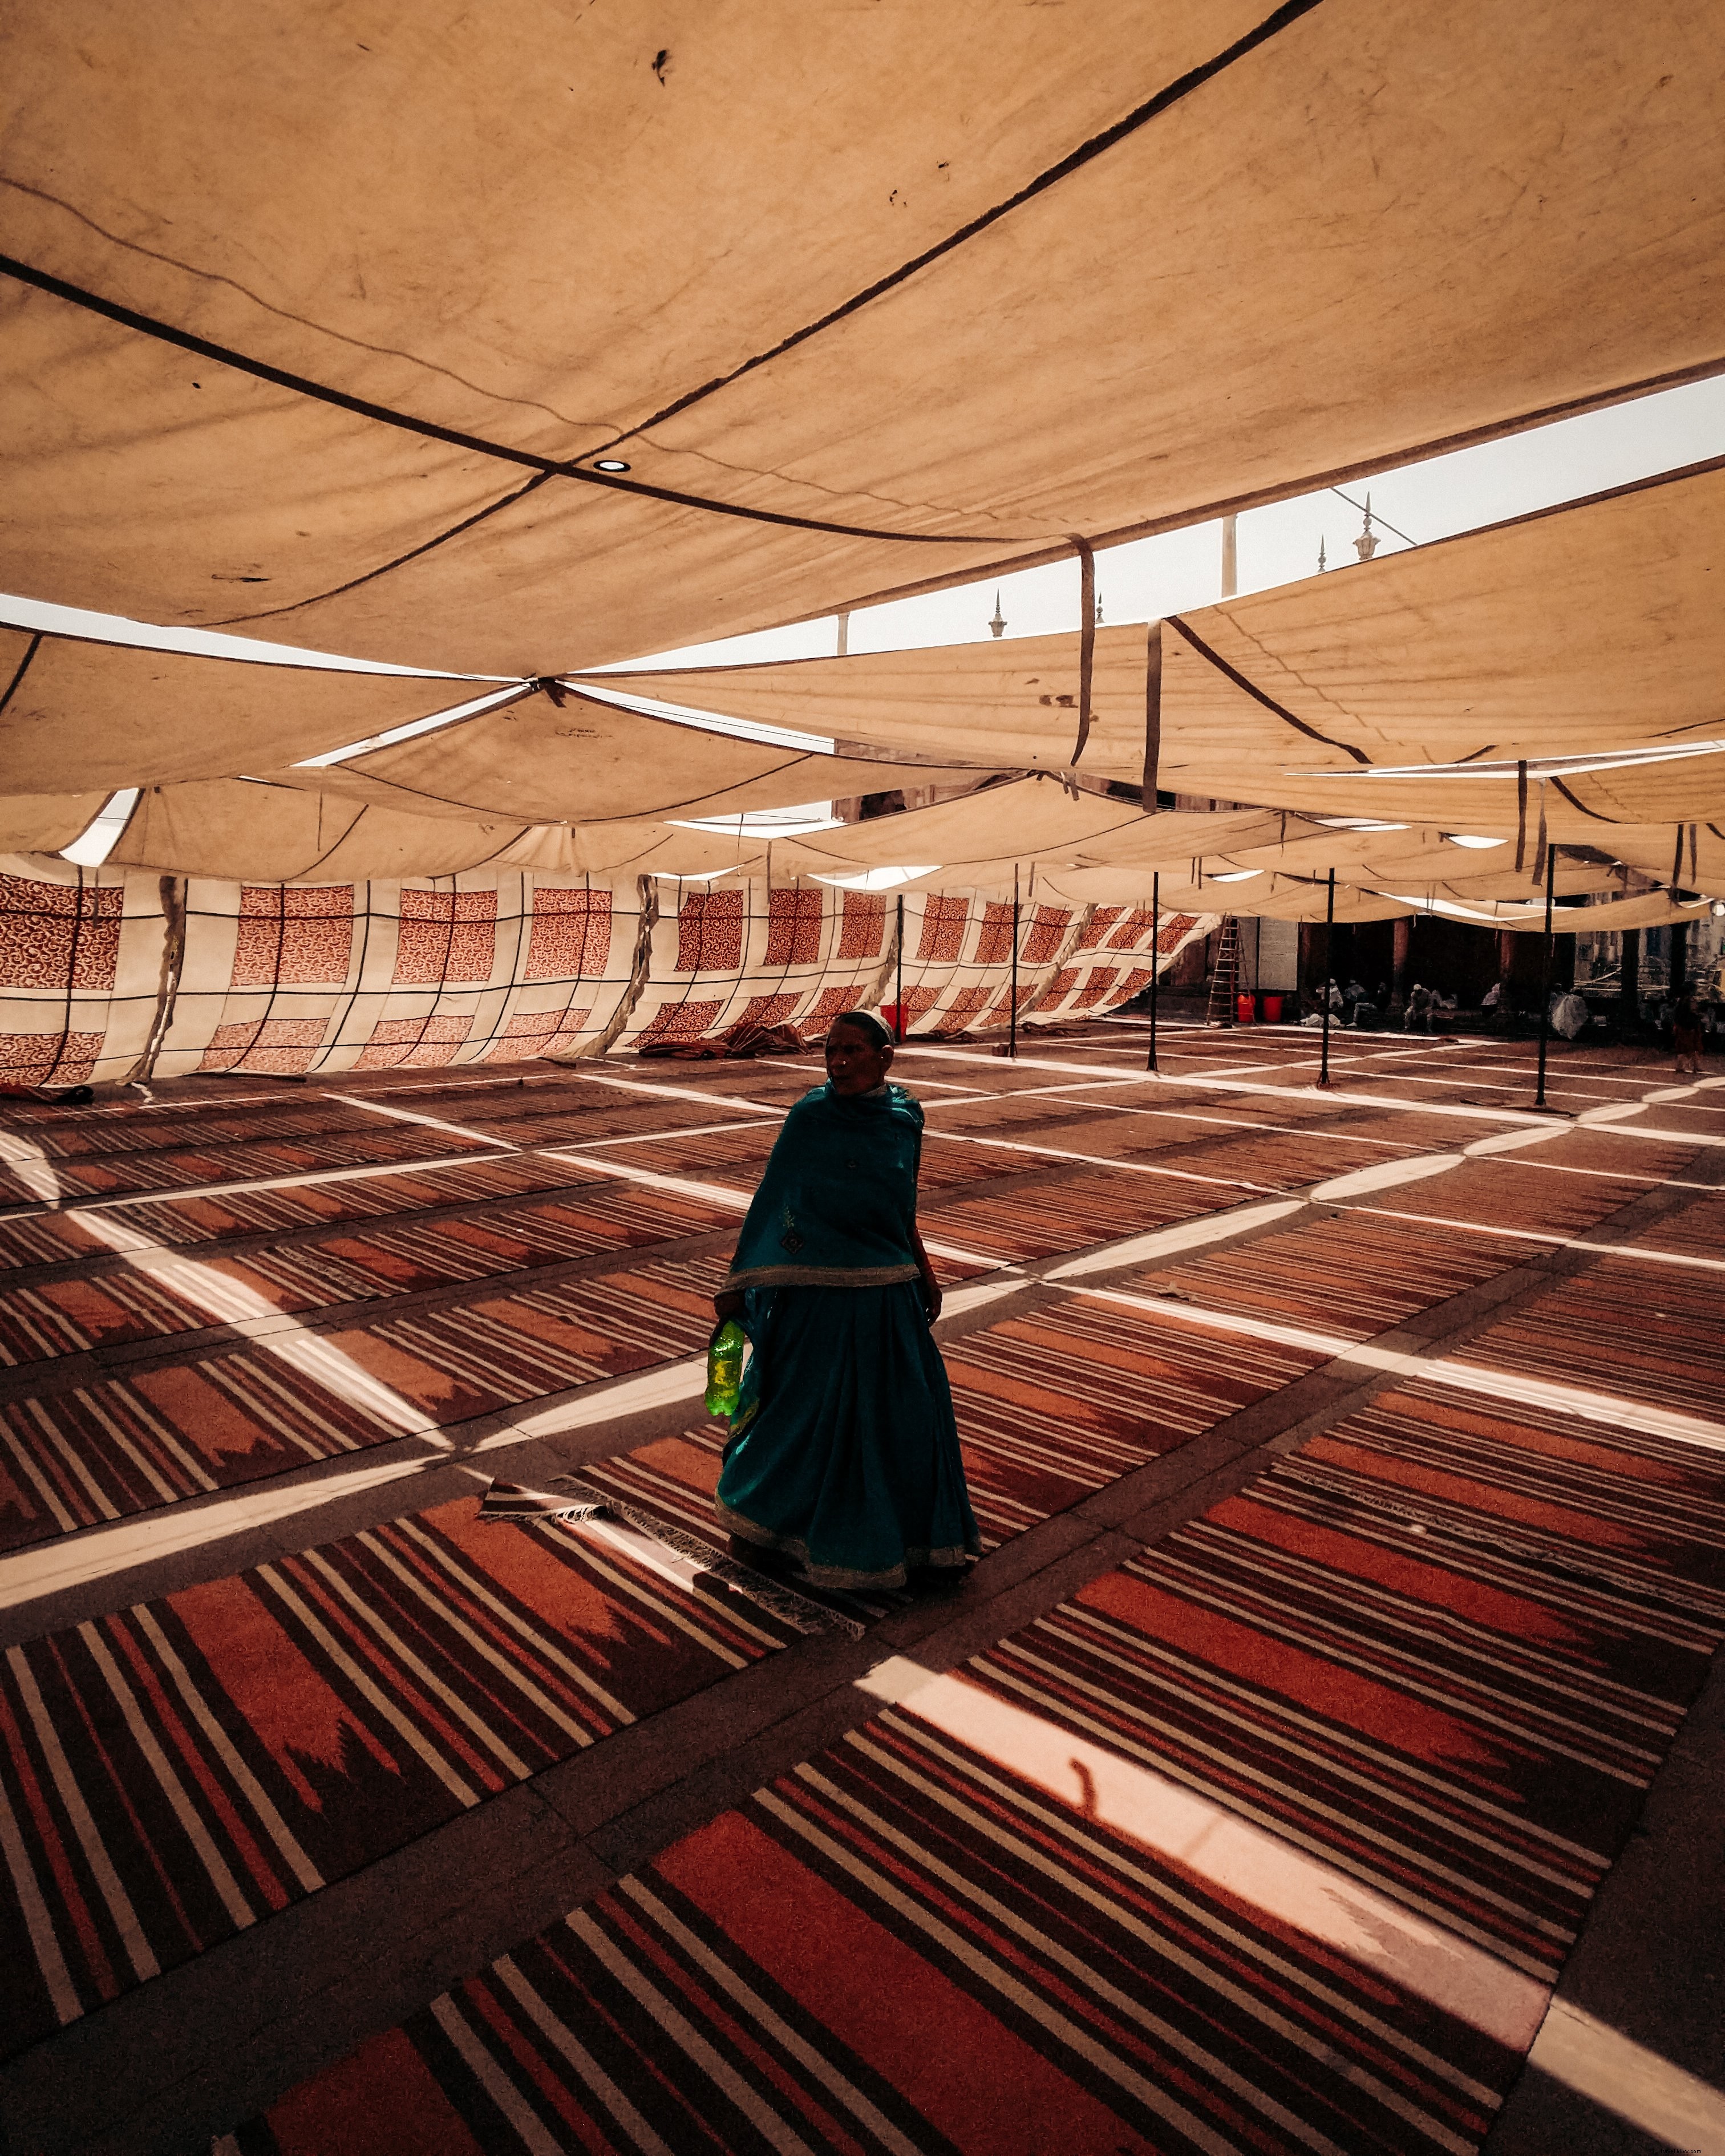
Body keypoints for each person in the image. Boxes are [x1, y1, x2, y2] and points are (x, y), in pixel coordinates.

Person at [710, 1010, 979, 1592]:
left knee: (903, 1418)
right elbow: (776, 1198)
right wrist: (746, 1279)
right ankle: (765, 1528)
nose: (839, 1062)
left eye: (854, 1051)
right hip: (818, 1297)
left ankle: (908, 1542)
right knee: (801, 1415)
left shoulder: (905, 1116)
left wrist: (925, 1272)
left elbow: (900, 1204)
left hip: (888, 1294)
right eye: (832, 1051)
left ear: (885, 1058)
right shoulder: (811, 1117)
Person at [1673, 988, 1706, 1077]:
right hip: (1688, 1028)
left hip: (1685, 1027)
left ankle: (1693, 1066)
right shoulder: (1687, 1002)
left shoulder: (1681, 1002)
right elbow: (1692, 1013)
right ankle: (1689, 1066)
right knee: (1688, 1047)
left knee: (1687, 1047)